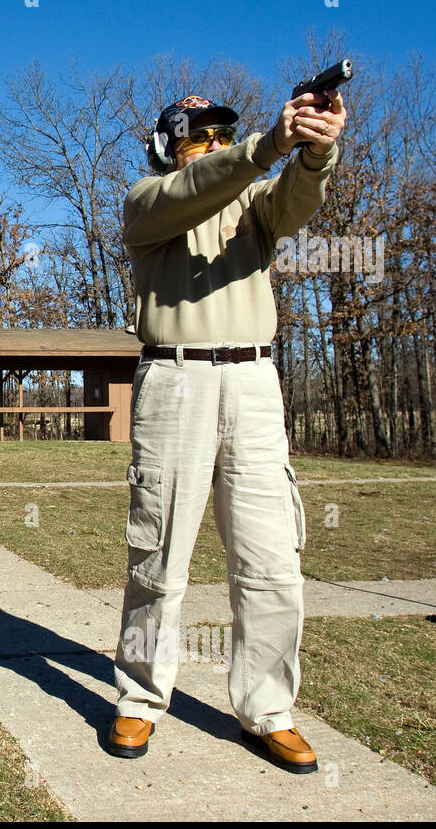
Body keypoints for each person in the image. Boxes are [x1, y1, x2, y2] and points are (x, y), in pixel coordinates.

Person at [105, 87, 346, 773]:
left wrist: (316, 147)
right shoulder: (147, 201)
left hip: (254, 382)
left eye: (221, 133)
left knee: (271, 559)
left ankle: (268, 709)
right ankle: (140, 697)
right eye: (197, 135)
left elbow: (298, 202)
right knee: (159, 555)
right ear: (166, 147)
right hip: (174, 381)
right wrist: (264, 145)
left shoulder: (254, 200)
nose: (212, 144)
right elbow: (196, 189)